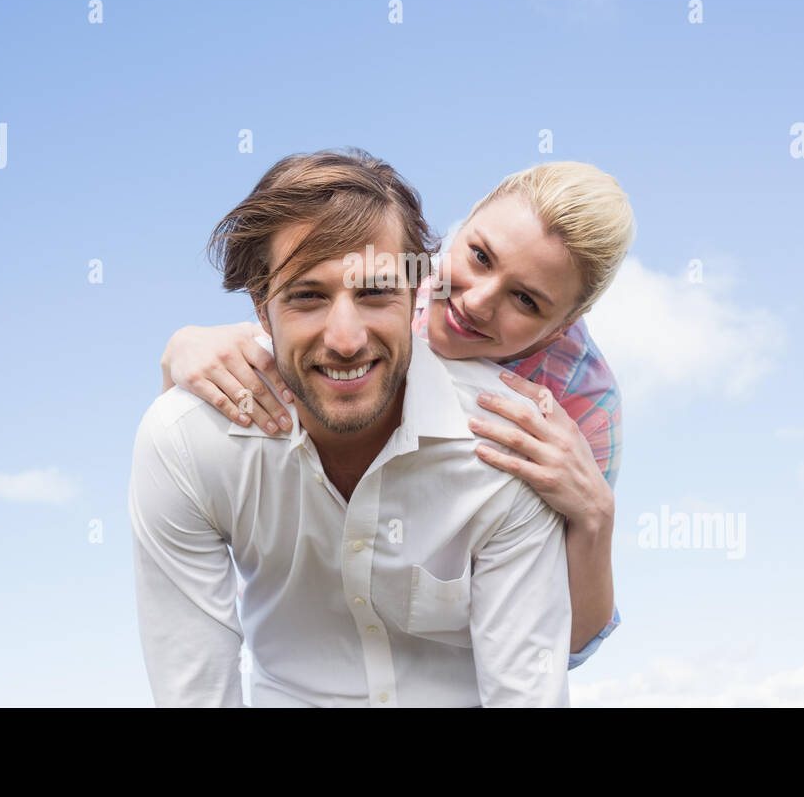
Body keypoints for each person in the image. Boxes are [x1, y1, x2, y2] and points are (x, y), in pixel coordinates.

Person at [129, 148, 573, 706]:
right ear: (261, 308)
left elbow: (527, 692)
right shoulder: (188, 441)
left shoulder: (508, 443)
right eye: (308, 297)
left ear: (417, 292)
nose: (345, 340)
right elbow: (194, 690)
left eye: (374, 293)